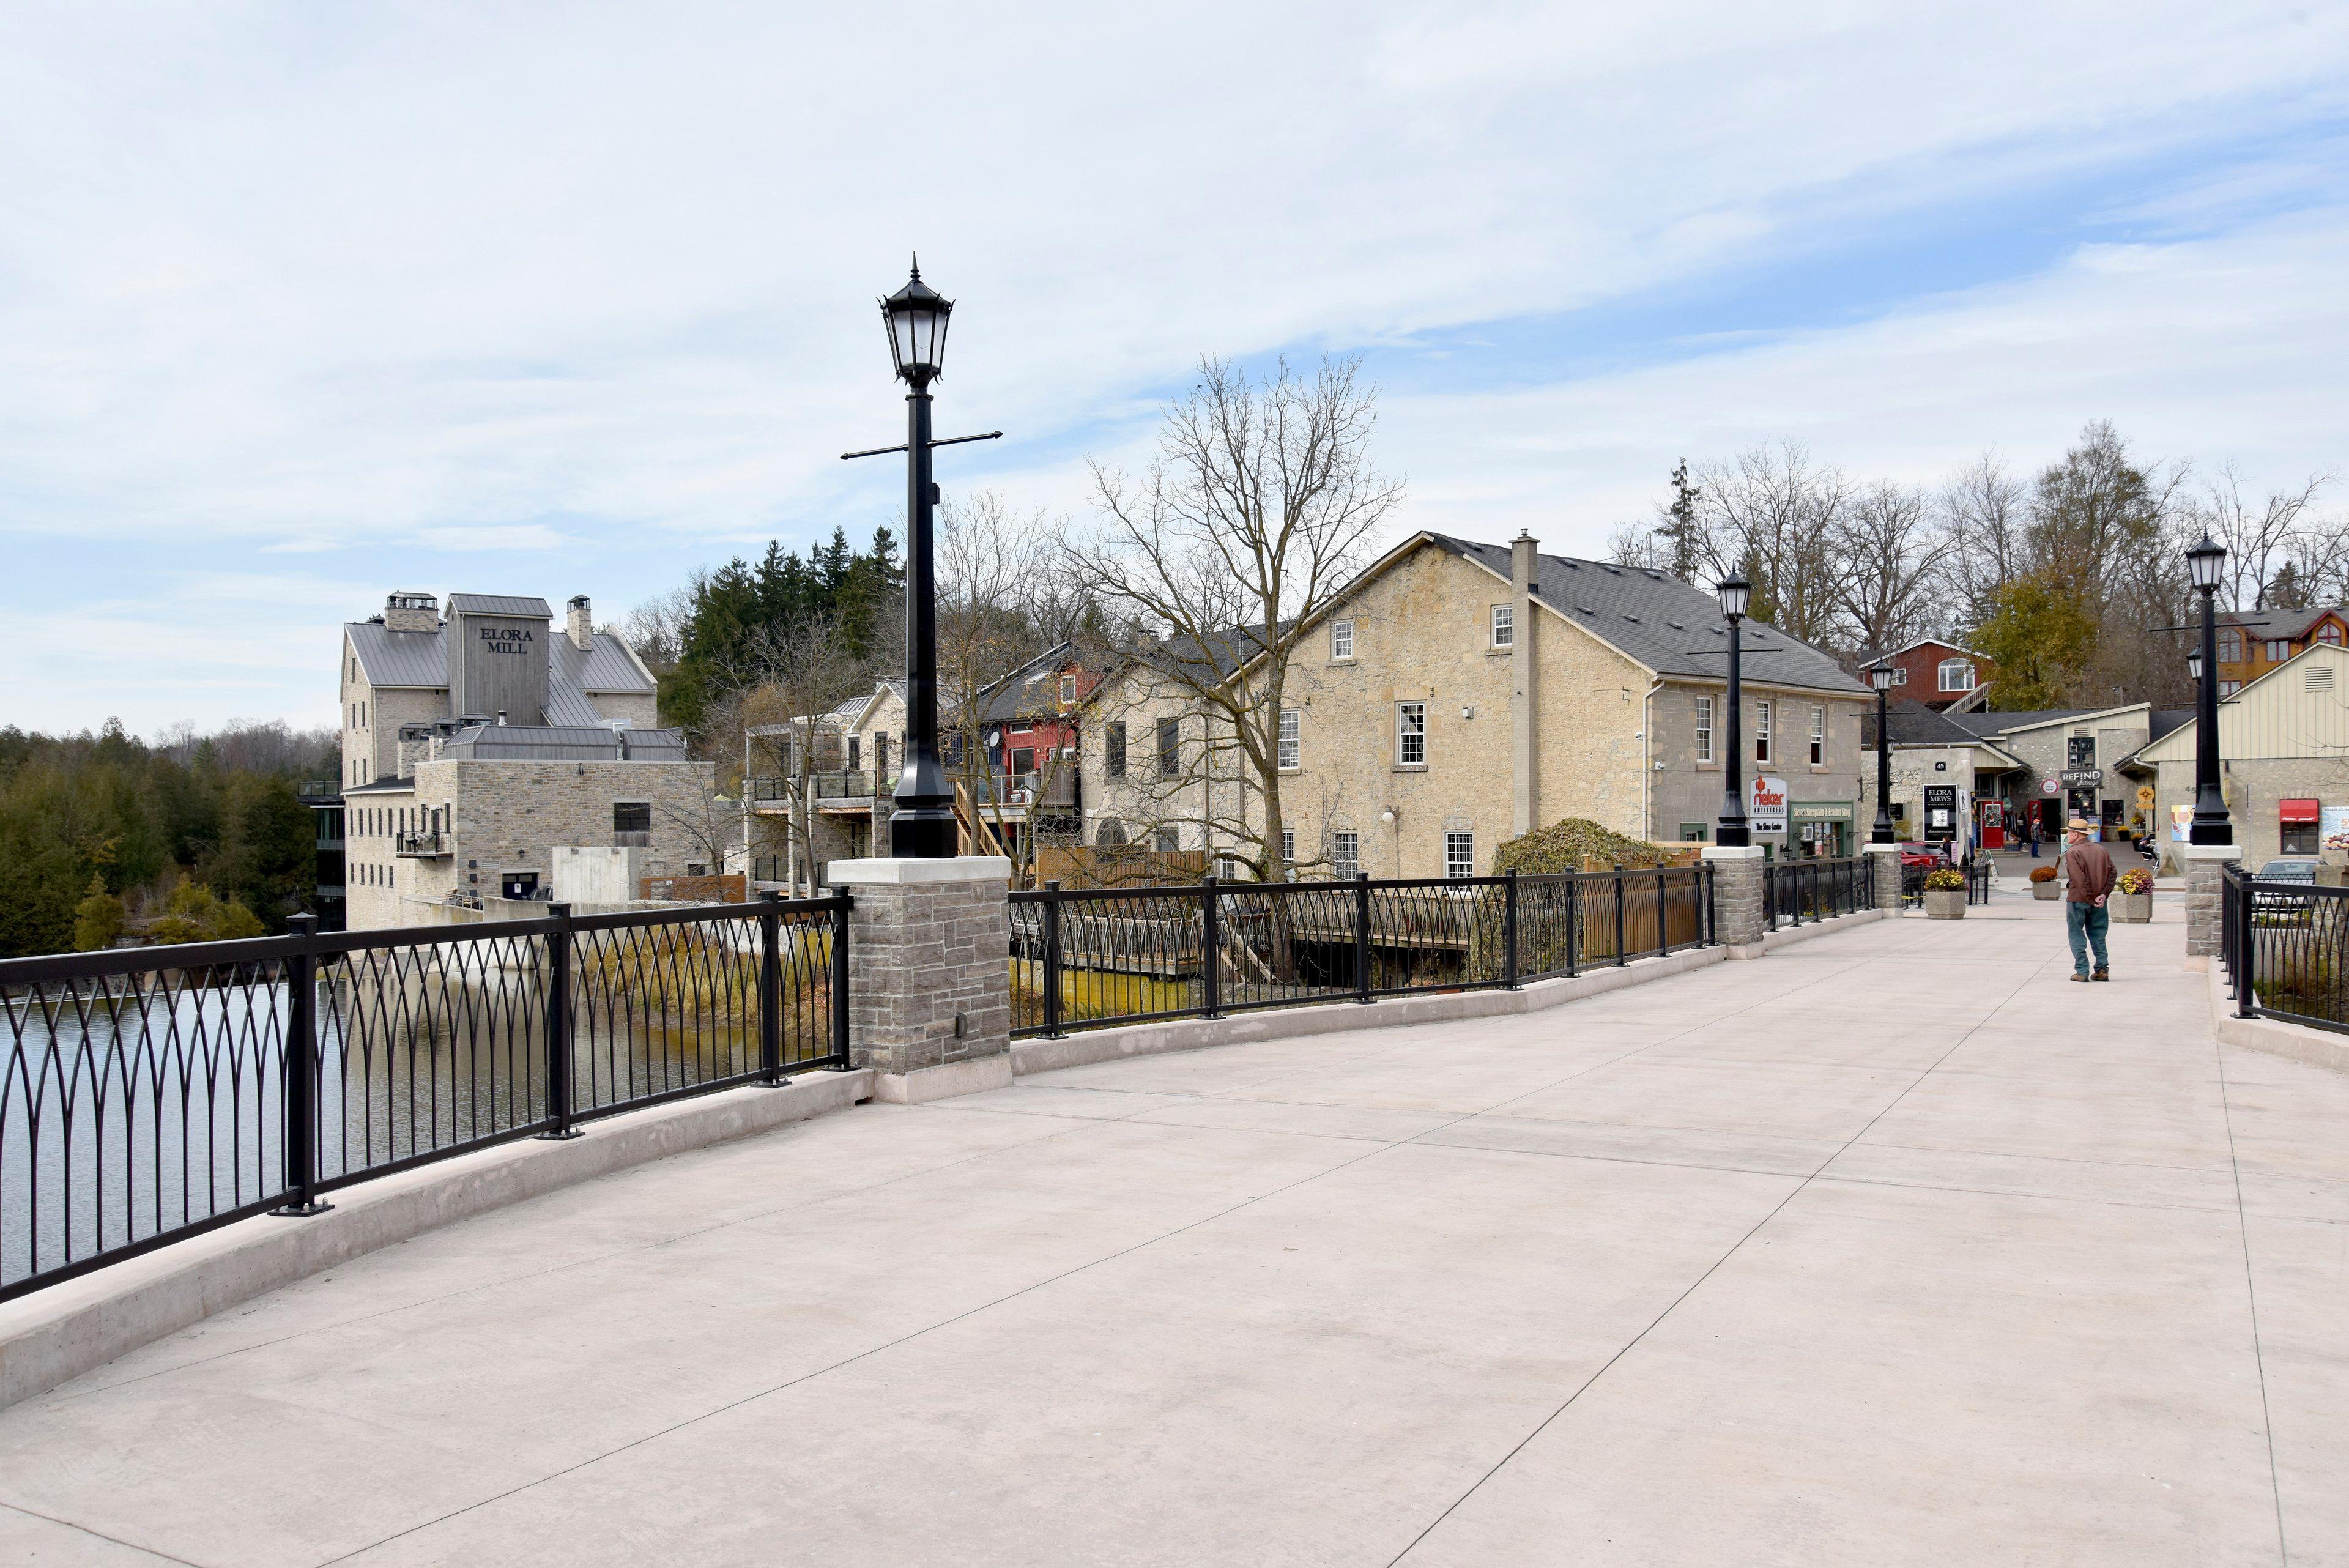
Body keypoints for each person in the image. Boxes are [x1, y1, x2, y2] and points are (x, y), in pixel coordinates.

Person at [2061, 816, 2115, 982]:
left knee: (2076, 934)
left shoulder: (2073, 852)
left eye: (2069, 832)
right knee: (2098, 934)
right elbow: (2113, 873)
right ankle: (2102, 969)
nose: (2067, 836)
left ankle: (2082, 971)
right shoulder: (2101, 850)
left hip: (2079, 899)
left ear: (2076, 835)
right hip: (2099, 900)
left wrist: (2091, 898)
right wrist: (2103, 895)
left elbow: (2079, 880)